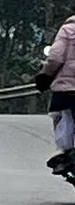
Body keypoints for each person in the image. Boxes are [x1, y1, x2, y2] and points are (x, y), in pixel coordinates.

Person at [35, 15, 75, 169]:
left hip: (67, 89)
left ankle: (65, 151)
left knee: (62, 116)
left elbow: (55, 58)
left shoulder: (68, 30)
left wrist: (44, 77)